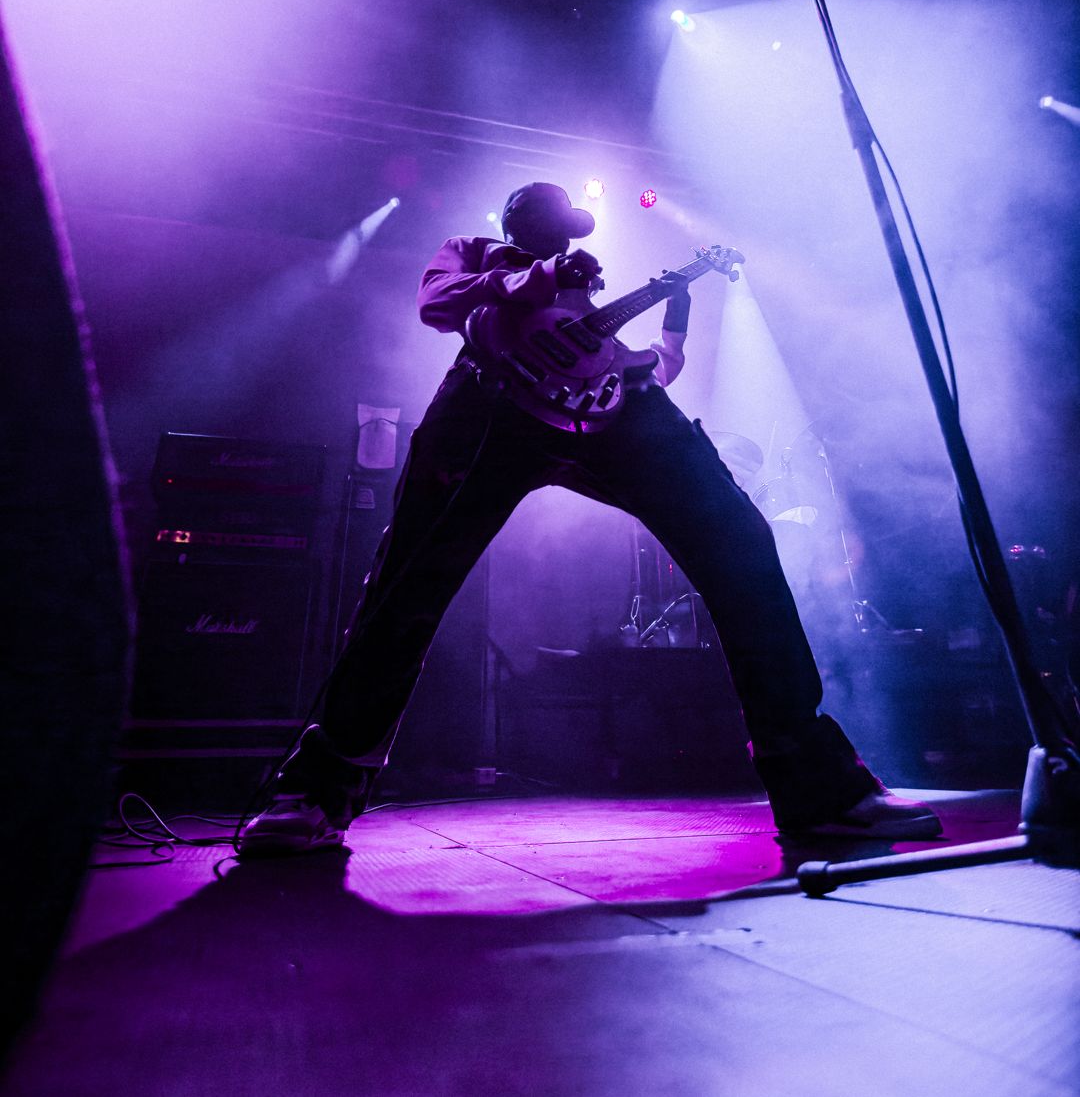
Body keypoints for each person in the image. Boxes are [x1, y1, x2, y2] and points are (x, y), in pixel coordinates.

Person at [239, 182, 941, 855]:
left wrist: (668, 307)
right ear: (517, 222)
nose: (563, 236)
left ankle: (818, 787)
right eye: (549, 223)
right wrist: (529, 279)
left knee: (739, 540)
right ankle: (317, 789)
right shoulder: (476, 253)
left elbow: (655, 363)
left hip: (611, 407)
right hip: (487, 407)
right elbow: (436, 299)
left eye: (570, 229)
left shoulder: (585, 294)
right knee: (406, 583)